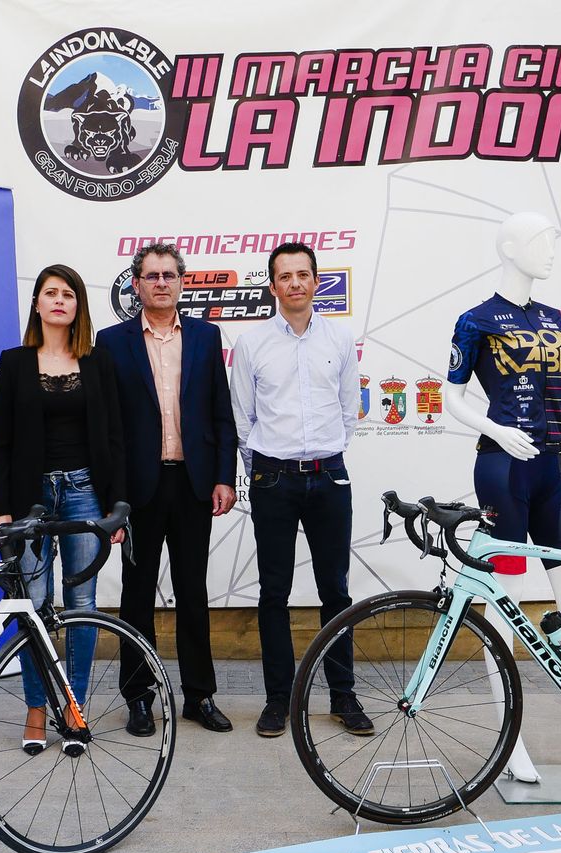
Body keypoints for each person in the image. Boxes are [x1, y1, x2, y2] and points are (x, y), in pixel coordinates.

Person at [444, 212, 561, 779]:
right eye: (542, 241)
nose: (551, 251)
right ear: (511, 247)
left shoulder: (557, 320)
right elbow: (452, 397)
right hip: (502, 471)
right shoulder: (475, 321)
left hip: (549, 474)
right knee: (505, 603)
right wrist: (496, 430)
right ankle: (508, 738)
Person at [96, 242, 238, 736]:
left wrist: (225, 475)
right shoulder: (111, 342)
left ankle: (199, 696)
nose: (160, 282)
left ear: (181, 283)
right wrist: (112, 498)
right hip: (138, 490)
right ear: (136, 285)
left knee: (193, 593)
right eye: (151, 275)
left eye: (169, 275)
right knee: (136, 595)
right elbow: (108, 429)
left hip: (194, 484)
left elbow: (221, 411)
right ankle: (138, 698)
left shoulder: (205, 336)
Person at [230, 241, 370, 739]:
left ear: (316, 281)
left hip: (330, 477)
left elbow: (350, 412)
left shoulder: (339, 338)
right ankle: (278, 700)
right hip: (273, 479)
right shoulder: (251, 344)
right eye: (284, 276)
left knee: (336, 589)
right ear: (272, 286)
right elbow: (242, 420)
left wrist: (324, 457)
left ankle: (343, 696)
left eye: (303, 274)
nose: (294, 283)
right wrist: (268, 468)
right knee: (274, 592)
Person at [0, 264, 126, 754]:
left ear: (77, 306)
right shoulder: (15, 362)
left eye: (69, 294)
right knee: (36, 606)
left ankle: (74, 705)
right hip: (30, 500)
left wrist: (116, 507)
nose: (60, 300)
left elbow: (114, 437)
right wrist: (1, 511)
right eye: (51, 292)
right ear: (38, 305)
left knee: (82, 606)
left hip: (86, 492)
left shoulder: (98, 361)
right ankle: (36, 709)